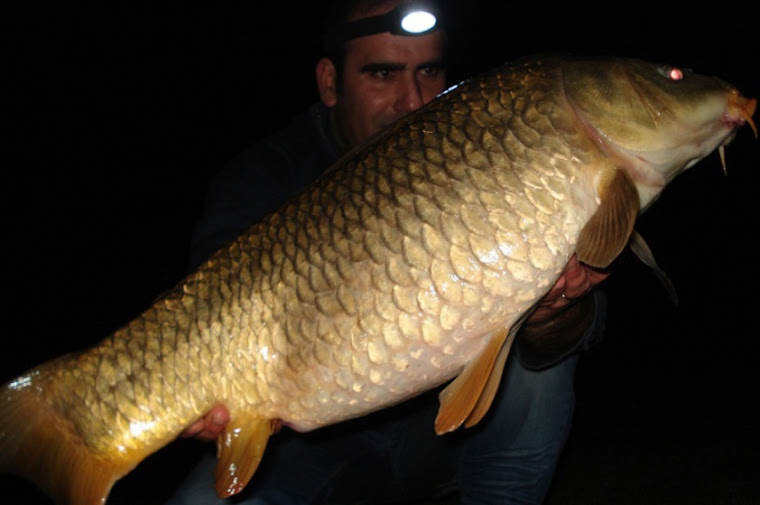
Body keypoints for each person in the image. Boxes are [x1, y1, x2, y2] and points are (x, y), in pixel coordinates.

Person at [165, 1, 609, 504]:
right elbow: (205, 316)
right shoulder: (266, 175)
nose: (414, 100)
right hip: (305, 451)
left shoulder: (486, 149)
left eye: (430, 71)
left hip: (446, 434)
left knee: (539, 372)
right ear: (330, 82)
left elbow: (570, 336)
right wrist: (200, 388)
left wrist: (553, 311)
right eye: (382, 74)